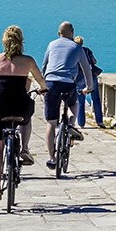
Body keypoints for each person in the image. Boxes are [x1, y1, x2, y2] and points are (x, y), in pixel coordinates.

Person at [0, 25, 46, 199]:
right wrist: (43, 88)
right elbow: (41, 81)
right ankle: (24, 148)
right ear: (21, 42)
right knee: (26, 118)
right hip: (20, 105)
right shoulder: (28, 61)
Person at [40, 22, 94, 168]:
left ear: (59, 33)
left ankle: (52, 158)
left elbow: (44, 66)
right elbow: (86, 69)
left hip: (51, 83)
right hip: (68, 83)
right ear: (72, 32)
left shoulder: (51, 45)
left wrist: (43, 84)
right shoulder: (77, 47)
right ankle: (71, 124)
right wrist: (89, 87)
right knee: (73, 104)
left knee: (51, 122)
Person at [73, 35, 105, 129]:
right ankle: (99, 121)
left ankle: (81, 123)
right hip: (91, 76)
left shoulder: (74, 52)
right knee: (96, 99)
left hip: (79, 77)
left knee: (80, 101)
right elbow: (94, 61)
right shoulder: (87, 50)